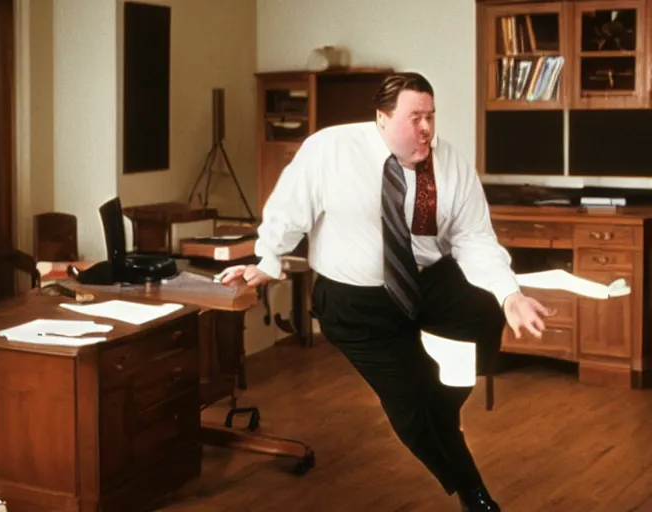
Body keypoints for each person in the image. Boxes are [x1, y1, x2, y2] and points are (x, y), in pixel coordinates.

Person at [218, 72, 552, 511]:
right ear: (382, 117)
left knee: (483, 311)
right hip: (356, 300)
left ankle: (444, 407)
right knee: (413, 402)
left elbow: (474, 237)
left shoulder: (448, 163)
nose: (427, 129)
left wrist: (511, 295)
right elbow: (288, 211)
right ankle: (472, 491)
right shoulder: (330, 149)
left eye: (431, 117)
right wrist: (268, 259)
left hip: (429, 281)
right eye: (415, 118)